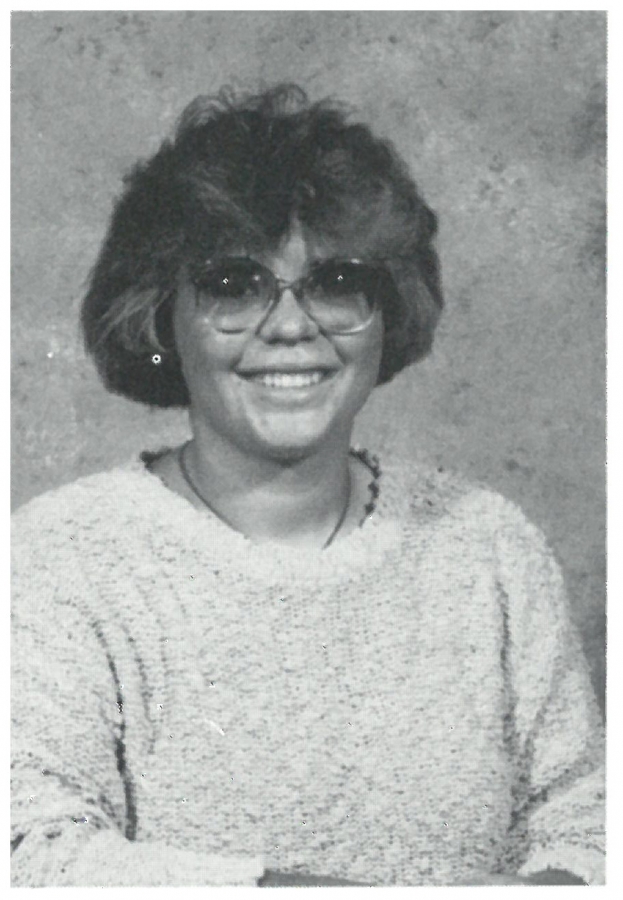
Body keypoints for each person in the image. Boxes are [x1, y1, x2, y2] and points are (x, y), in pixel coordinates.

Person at [11, 84, 605, 887]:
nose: (291, 326)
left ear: (388, 310)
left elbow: (589, 832)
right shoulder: (58, 558)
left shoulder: (487, 545)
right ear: (159, 318)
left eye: (335, 282)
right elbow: (34, 856)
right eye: (233, 285)